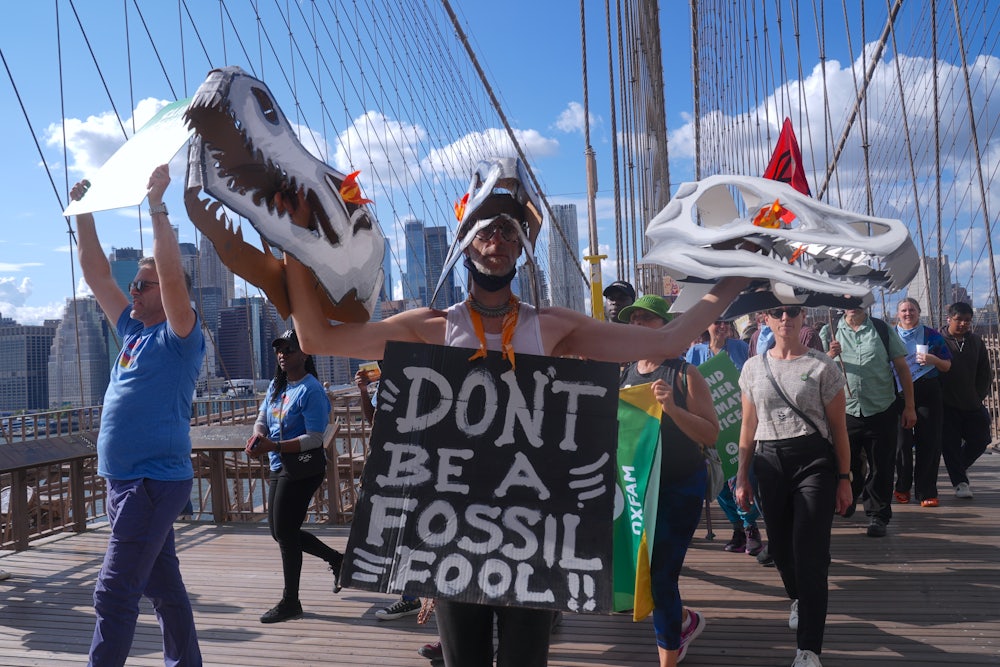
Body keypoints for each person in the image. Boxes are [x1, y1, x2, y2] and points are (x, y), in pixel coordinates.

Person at [280, 157, 750, 667]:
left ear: (523, 247)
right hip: (453, 534)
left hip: (535, 538)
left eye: (509, 230)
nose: (498, 240)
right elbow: (318, 337)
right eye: (486, 229)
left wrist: (740, 275)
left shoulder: (551, 328)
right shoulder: (432, 326)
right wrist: (294, 239)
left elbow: (671, 338)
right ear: (466, 239)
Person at [72, 165, 205, 666]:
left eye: (144, 284)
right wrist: (83, 212)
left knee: (112, 594)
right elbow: (97, 274)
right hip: (124, 481)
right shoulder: (131, 329)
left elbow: (171, 276)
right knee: (163, 589)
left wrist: (156, 205)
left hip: (151, 481)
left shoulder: (180, 336)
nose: (135, 289)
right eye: (136, 283)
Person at [736, 305, 853, 667]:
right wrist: (742, 476)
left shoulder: (822, 366)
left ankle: (808, 649)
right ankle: (798, 598)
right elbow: (747, 425)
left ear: (804, 318)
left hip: (814, 461)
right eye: (777, 312)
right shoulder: (753, 367)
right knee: (782, 550)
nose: (785, 318)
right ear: (765, 319)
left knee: (811, 552)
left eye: (792, 312)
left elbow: (839, 429)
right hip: (769, 461)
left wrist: (845, 479)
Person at [619, 295, 719, 666]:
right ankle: (685, 622)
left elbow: (710, 434)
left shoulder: (684, 373)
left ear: (665, 326)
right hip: (639, 488)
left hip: (679, 487)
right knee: (644, 572)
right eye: (635, 319)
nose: (639, 324)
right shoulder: (626, 372)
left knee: (662, 578)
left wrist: (672, 409)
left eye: (647, 318)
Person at [245, 329, 344, 623]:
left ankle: (291, 601)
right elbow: (261, 420)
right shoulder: (278, 387)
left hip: (302, 468)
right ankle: (337, 559)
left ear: (305, 354)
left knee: (286, 533)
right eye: (280, 350)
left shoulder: (311, 390)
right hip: (279, 463)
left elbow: (315, 437)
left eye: (289, 350)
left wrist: (273, 445)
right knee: (279, 531)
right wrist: (256, 438)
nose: (283, 354)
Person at [820, 307, 915, 537]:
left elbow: (902, 368)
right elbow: (817, 370)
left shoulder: (881, 329)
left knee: (882, 465)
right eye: (848, 299)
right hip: (845, 410)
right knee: (845, 463)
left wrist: (910, 406)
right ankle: (848, 497)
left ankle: (878, 514)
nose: (853, 304)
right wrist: (829, 356)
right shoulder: (828, 331)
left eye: (858, 298)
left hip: (881, 407)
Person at [685, 321, 763, 556]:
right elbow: (686, 386)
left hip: (738, 425)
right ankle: (736, 528)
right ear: (706, 325)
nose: (722, 326)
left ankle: (751, 527)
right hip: (709, 428)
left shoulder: (740, 347)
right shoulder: (695, 352)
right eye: (717, 322)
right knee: (719, 483)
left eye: (726, 322)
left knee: (741, 477)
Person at [354, 365, 423, 622]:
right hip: (393, 464)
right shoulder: (385, 383)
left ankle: (434, 598)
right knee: (401, 530)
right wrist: (363, 391)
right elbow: (373, 419)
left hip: (424, 463)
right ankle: (411, 597)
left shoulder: (423, 374)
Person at [892, 298, 951, 507]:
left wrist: (933, 360)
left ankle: (927, 490)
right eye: (904, 310)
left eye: (912, 310)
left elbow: (946, 366)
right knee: (901, 443)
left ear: (919, 312)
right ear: (898, 313)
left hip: (927, 390)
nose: (908, 313)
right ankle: (902, 486)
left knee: (930, 442)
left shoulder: (932, 335)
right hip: (898, 393)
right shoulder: (890, 335)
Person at [938, 302, 993, 499]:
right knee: (950, 444)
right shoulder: (938, 340)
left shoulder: (976, 342)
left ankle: (958, 467)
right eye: (958, 319)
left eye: (967, 321)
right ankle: (961, 482)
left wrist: (978, 396)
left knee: (982, 439)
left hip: (972, 402)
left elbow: (985, 372)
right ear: (949, 319)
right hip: (946, 403)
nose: (962, 324)